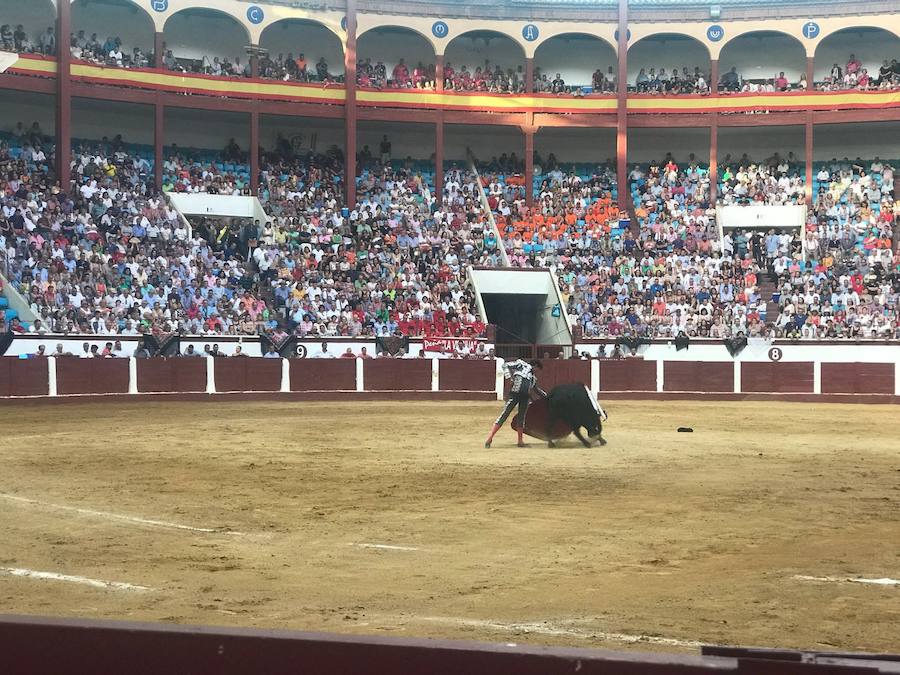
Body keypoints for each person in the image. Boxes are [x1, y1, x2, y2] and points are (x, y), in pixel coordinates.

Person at [484, 359, 545, 449]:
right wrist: (509, 378)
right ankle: (489, 438)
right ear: (535, 366)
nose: (537, 372)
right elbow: (505, 365)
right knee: (504, 415)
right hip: (515, 394)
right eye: (537, 370)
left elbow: (536, 390)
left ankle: (520, 441)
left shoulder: (533, 378)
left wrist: (547, 396)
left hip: (525, 398)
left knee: (521, 418)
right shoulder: (521, 364)